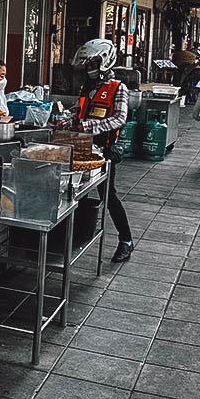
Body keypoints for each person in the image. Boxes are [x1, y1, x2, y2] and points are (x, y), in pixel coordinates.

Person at [71, 38, 134, 263]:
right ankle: (75, 236)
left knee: (108, 195)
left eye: (92, 64)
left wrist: (88, 126)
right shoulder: (87, 87)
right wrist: (67, 119)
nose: (88, 69)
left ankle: (126, 240)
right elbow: (79, 111)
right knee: (76, 192)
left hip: (104, 150)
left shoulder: (119, 88)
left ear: (105, 62)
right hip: (81, 147)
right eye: (87, 65)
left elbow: (119, 118)